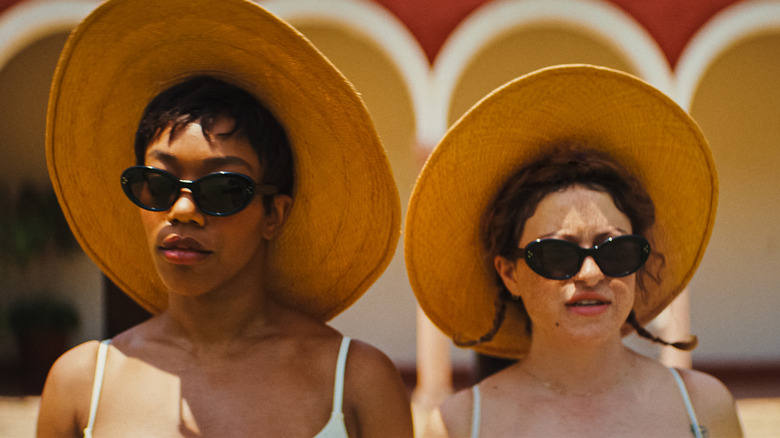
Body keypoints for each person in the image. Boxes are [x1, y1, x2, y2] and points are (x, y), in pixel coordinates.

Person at [37, 0, 413, 436]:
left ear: (273, 214)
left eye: (222, 190)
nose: (181, 211)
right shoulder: (82, 384)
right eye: (158, 185)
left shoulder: (357, 383)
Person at [404, 64, 743, 437]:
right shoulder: (459, 425)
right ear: (509, 273)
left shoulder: (703, 407)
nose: (591, 273)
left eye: (615, 251)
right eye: (557, 255)